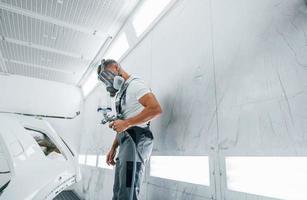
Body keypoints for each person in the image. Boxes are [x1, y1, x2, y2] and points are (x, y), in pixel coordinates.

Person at [97, 59, 162, 200]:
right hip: (126, 141)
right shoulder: (121, 92)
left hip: (137, 140)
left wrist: (127, 123)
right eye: (105, 80)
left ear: (116, 67)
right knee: (119, 190)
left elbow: (156, 109)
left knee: (128, 189)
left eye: (108, 76)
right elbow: (123, 123)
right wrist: (113, 147)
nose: (108, 82)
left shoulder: (135, 85)